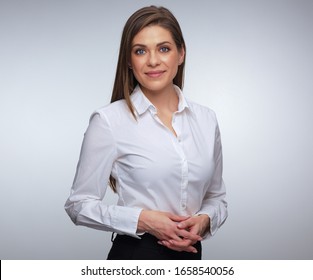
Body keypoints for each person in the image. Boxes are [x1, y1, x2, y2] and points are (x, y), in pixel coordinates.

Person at [65, 5, 227, 260]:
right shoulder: (109, 121)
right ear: (129, 61)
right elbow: (78, 206)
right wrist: (143, 220)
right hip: (135, 255)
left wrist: (205, 220)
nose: (153, 60)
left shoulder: (206, 120)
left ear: (181, 54)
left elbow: (217, 197)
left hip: (191, 256)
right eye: (140, 51)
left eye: (164, 48)